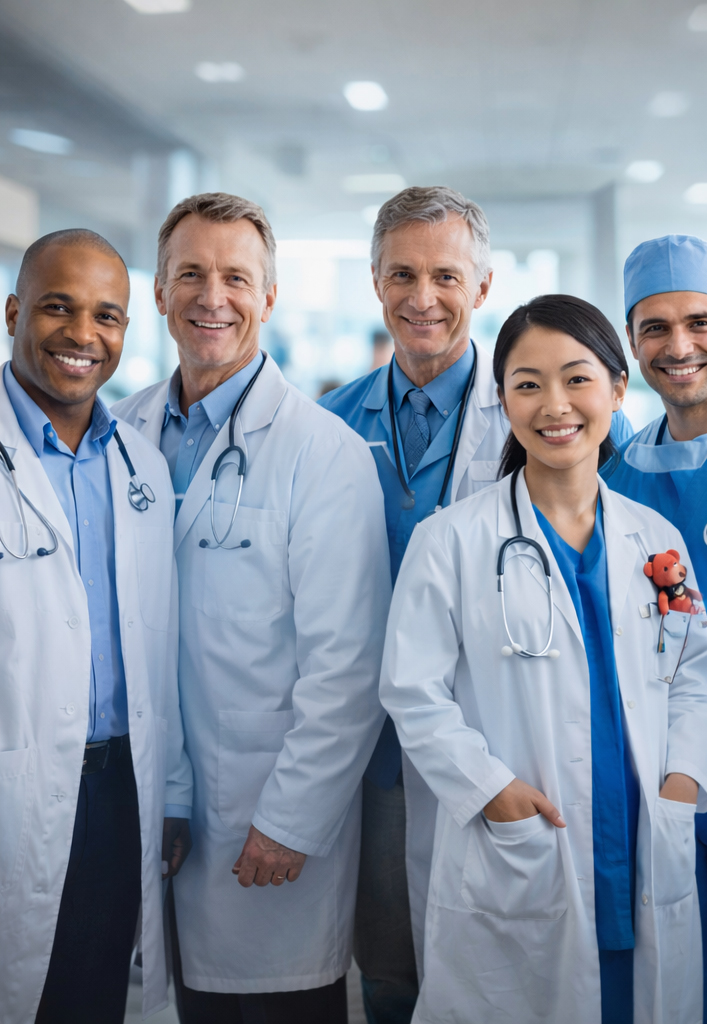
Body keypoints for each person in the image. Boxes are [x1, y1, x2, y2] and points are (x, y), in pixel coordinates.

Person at [380, 293, 707, 1022]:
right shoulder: (451, 541)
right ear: (502, 400)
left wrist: (684, 780)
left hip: (642, 831)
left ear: (618, 389)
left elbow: (690, 677)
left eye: (577, 378)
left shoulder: (653, 537)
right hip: (525, 840)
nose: (554, 404)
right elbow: (412, 694)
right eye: (527, 384)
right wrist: (491, 791)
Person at [114, 192, 392, 1022]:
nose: (213, 296)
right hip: (149, 808)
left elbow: (348, 669)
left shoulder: (324, 454)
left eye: (237, 277)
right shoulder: (121, 435)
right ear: (158, 292)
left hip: (262, 819)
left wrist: (290, 820)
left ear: (269, 298)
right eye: (190, 274)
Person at [319, 185, 511, 1023]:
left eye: (445, 275)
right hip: (374, 752)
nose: (422, 297)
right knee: (390, 967)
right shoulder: (326, 425)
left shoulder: (530, 418)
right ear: (374, 281)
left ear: (483, 286)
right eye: (402, 273)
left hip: (494, 731)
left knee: (499, 967)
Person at [0, 229, 191, 1022]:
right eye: (57, 307)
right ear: (12, 313)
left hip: (119, 794)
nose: (84, 335)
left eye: (107, 316)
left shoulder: (141, 466)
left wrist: (170, 788)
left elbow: (157, 646)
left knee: (91, 995)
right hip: (12, 788)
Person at [604, 234, 707, 1024]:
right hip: (658, 777)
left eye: (699, 323)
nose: (679, 347)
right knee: (675, 991)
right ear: (631, 346)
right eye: (654, 328)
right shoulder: (612, 477)